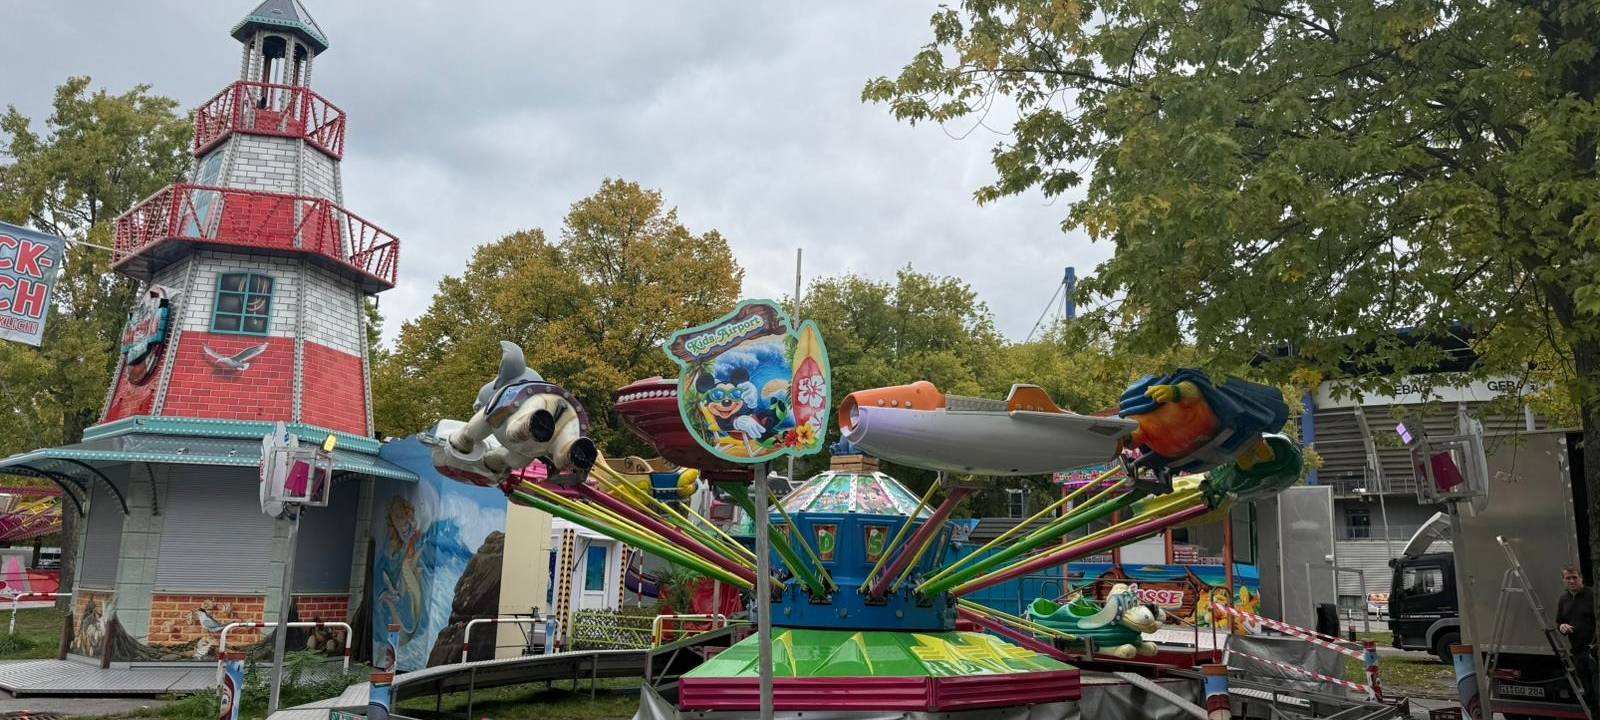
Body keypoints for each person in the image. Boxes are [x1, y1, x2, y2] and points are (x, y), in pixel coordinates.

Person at [1556, 566, 1596, 708]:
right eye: (1568, 578)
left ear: (1581, 578)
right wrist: (1562, 627)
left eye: (1575, 577)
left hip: (1594, 652)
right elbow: (1560, 621)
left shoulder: (1593, 595)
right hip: (1578, 652)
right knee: (1589, 693)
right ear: (1563, 581)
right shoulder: (1564, 599)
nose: (1572, 581)